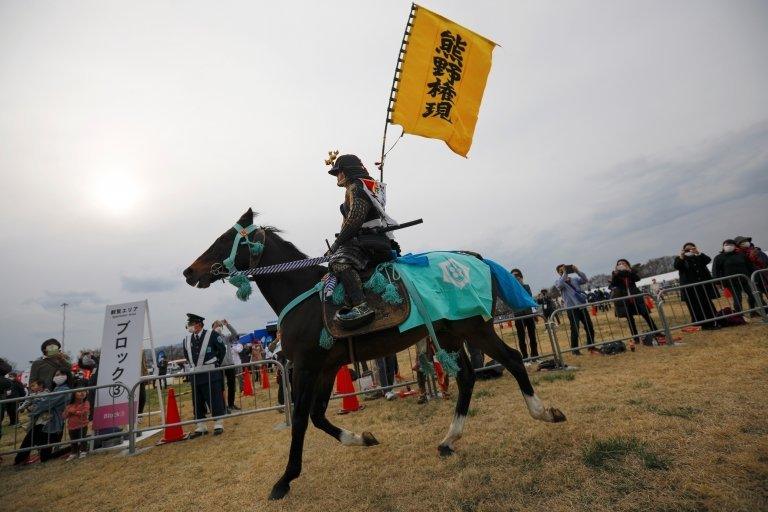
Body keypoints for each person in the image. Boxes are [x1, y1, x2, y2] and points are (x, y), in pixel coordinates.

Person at [325, 154, 396, 329]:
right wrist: (339, 243)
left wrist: (336, 246)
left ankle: (361, 305)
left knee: (340, 263)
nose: (337, 177)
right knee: (334, 261)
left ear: (348, 171)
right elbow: (347, 225)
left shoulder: (358, 187)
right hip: (362, 240)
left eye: (339, 172)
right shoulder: (360, 188)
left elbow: (354, 221)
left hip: (369, 241)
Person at [182, 313, 227, 437]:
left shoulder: (212, 335)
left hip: (210, 373)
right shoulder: (186, 340)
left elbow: (222, 349)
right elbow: (187, 355)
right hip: (195, 375)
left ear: (198, 324)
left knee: (214, 398)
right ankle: (201, 425)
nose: (189, 327)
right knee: (197, 401)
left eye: (191, 324)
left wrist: (216, 363)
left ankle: (218, 423)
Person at [14, 371, 69, 465]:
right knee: (44, 454)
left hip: (50, 422)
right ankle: (72, 447)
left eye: (60, 374)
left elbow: (46, 403)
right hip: (46, 422)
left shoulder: (63, 390)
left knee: (30, 439)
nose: (58, 377)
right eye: (56, 375)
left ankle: (19, 459)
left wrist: (34, 408)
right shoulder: (56, 389)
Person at [610, 259, 660, 347]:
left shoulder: (631, 271)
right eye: (619, 264)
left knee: (646, 314)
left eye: (623, 263)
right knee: (630, 319)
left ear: (627, 264)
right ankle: (635, 338)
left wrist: (629, 271)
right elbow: (614, 284)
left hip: (635, 296)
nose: (621, 264)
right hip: (624, 298)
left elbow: (637, 279)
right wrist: (616, 274)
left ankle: (657, 333)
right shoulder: (615, 273)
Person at [673, 242, 721, 329]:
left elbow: (708, 260)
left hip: (703, 286)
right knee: (696, 307)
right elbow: (677, 266)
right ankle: (704, 325)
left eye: (692, 248)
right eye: (687, 249)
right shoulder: (680, 259)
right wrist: (682, 256)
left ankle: (714, 321)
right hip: (690, 289)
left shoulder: (698, 257)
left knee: (707, 304)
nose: (689, 250)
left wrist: (697, 252)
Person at [554, 264, 595, 355]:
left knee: (589, 326)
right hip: (571, 308)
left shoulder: (574, 280)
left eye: (565, 269)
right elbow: (560, 285)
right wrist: (564, 273)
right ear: (558, 272)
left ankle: (591, 346)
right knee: (575, 329)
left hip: (581, 306)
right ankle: (575, 350)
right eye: (561, 270)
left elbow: (585, 280)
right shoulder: (558, 281)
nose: (564, 271)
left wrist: (577, 271)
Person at [712, 239, 755, 315]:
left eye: (731, 245)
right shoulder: (719, 257)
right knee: (737, 298)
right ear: (723, 247)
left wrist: (753, 276)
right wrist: (717, 282)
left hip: (744, 280)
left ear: (735, 246)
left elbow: (750, 266)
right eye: (726, 245)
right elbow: (715, 271)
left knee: (752, 295)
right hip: (730, 282)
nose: (729, 246)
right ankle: (740, 315)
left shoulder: (741, 255)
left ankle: (753, 311)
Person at [212, 319, 241, 413]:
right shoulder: (211, 339)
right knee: (220, 387)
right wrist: (214, 332)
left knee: (232, 385)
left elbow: (235, 334)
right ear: (213, 327)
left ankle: (231, 404)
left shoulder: (226, 338)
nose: (219, 327)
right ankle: (223, 406)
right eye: (217, 325)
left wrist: (227, 324)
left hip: (230, 364)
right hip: (219, 366)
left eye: (220, 325)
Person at [510, 269, 538, 360]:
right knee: (521, 338)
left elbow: (529, 297)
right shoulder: (511, 289)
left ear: (521, 276)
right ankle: (525, 357)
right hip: (518, 315)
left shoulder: (526, 286)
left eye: (517, 275)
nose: (515, 277)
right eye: (513, 276)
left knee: (532, 336)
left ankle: (535, 356)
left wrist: (521, 284)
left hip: (528, 314)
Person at [62, 389, 90, 460]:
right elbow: (64, 416)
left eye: (84, 391)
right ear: (74, 394)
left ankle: (83, 451)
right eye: (79, 392)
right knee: (73, 440)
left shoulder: (86, 403)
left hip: (82, 425)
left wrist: (73, 411)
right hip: (71, 427)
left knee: (83, 438)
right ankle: (73, 452)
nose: (82, 393)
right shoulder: (69, 405)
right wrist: (69, 412)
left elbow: (84, 412)